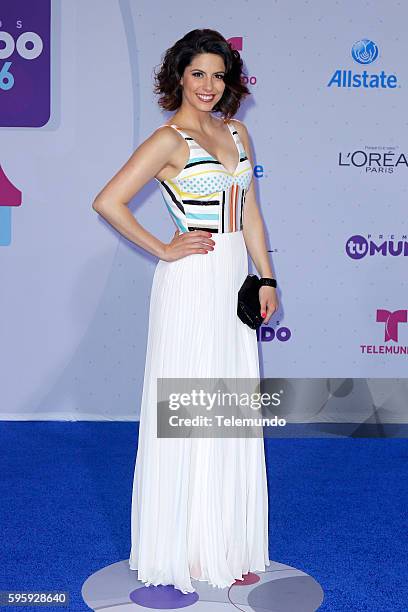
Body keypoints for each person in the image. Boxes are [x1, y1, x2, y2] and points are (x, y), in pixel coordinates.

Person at [92, 28, 279, 594]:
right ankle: (184, 549)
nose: (208, 85)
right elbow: (108, 201)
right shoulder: (168, 139)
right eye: (198, 73)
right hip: (191, 282)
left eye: (218, 75)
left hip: (232, 281)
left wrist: (266, 275)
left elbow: (250, 213)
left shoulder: (238, 132)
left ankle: (226, 543)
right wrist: (165, 247)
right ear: (178, 75)